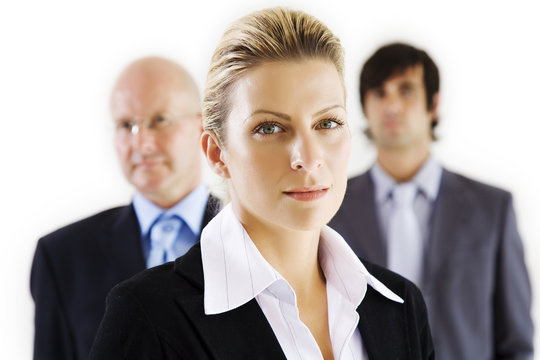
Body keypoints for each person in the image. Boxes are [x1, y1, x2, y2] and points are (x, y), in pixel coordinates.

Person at [89, 8, 434, 360]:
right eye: (269, 128)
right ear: (216, 154)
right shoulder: (148, 317)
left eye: (327, 123)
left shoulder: (400, 307)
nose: (307, 156)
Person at [330, 42, 534, 359]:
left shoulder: (492, 209)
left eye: (406, 90)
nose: (392, 106)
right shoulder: (331, 206)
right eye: (379, 93)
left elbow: (516, 343)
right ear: (364, 107)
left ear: (433, 104)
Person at [30, 57, 219, 360]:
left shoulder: (261, 236)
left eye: (160, 120)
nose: (141, 144)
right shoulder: (63, 256)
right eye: (126, 125)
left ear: (202, 125)